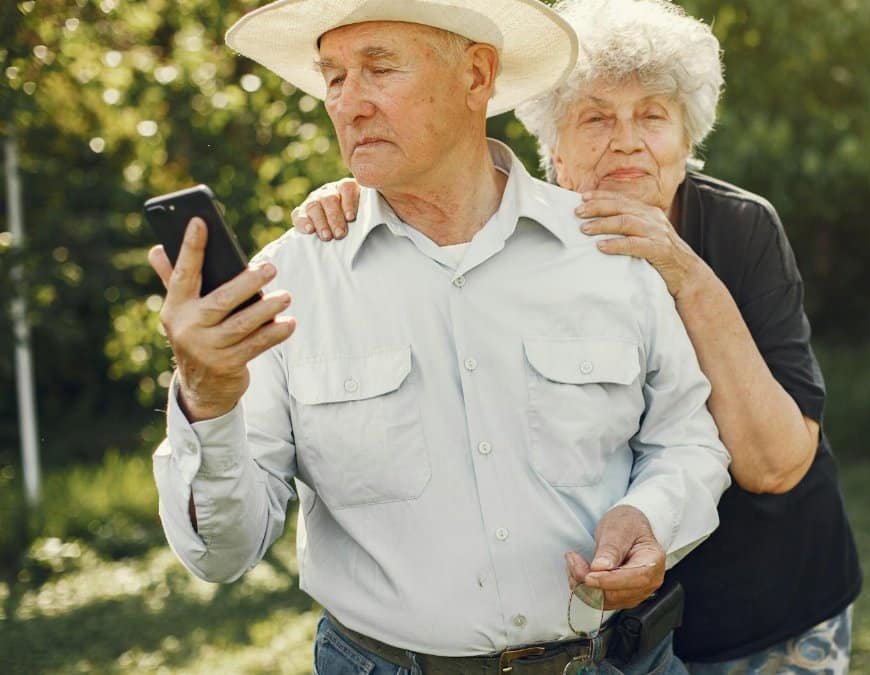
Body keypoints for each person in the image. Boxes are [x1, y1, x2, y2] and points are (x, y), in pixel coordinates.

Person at [146, 1, 733, 673]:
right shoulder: (288, 284)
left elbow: (687, 437)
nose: (349, 103)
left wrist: (651, 515)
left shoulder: (607, 246)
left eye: (378, 68)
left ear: (477, 75)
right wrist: (207, 398)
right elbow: (221, 554)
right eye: (334, 77)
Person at [292, 0, 863, 673]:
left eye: (652, 115)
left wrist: (683, 269)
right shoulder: (522, 238)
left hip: (763, 604)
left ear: (689, 138)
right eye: (595, 117)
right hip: (610, 631)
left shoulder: (740, 230)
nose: (626, 140)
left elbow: (777, 463)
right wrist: (375, 191)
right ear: (553, 145)